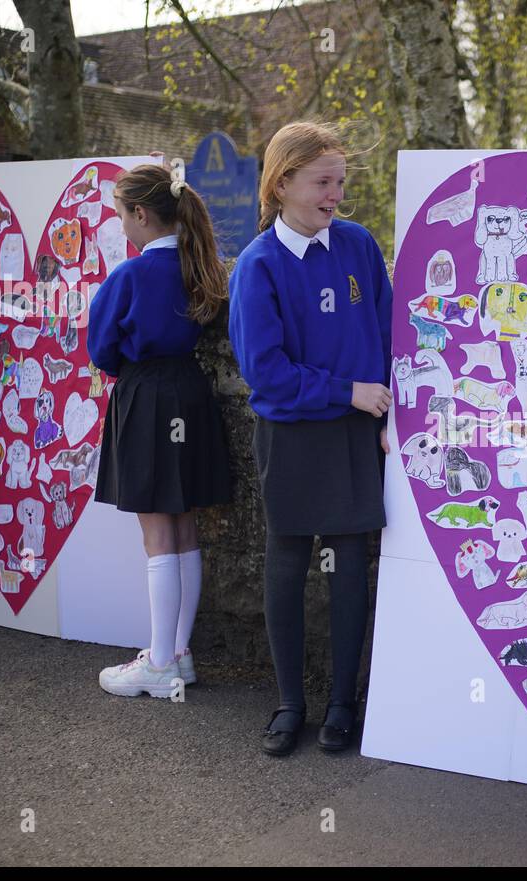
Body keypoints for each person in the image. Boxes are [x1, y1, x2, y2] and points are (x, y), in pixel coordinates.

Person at [228, 121, 393, 755]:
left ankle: (342, 705)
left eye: (341, 182)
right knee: (289, 562)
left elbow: (386, 337)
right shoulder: (257, 266)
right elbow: (263, 372)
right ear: (282, 182)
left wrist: (385, 417)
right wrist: (346, 391)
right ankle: (289, 703)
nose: (335, 194)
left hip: (356, 434)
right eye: (323, 182)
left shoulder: (356, 245)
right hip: (293, 434)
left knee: (351, 563)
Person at [88, 163, 233, 697]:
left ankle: (159, 664)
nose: (121, 225)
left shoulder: (128, 276)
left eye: (122, 216)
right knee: (185, 528)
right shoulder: (201, 268)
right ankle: (180, 653)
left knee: (157, 537)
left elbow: (101, 349)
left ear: (141, 214)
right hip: (191, 394)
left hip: (147, 397)